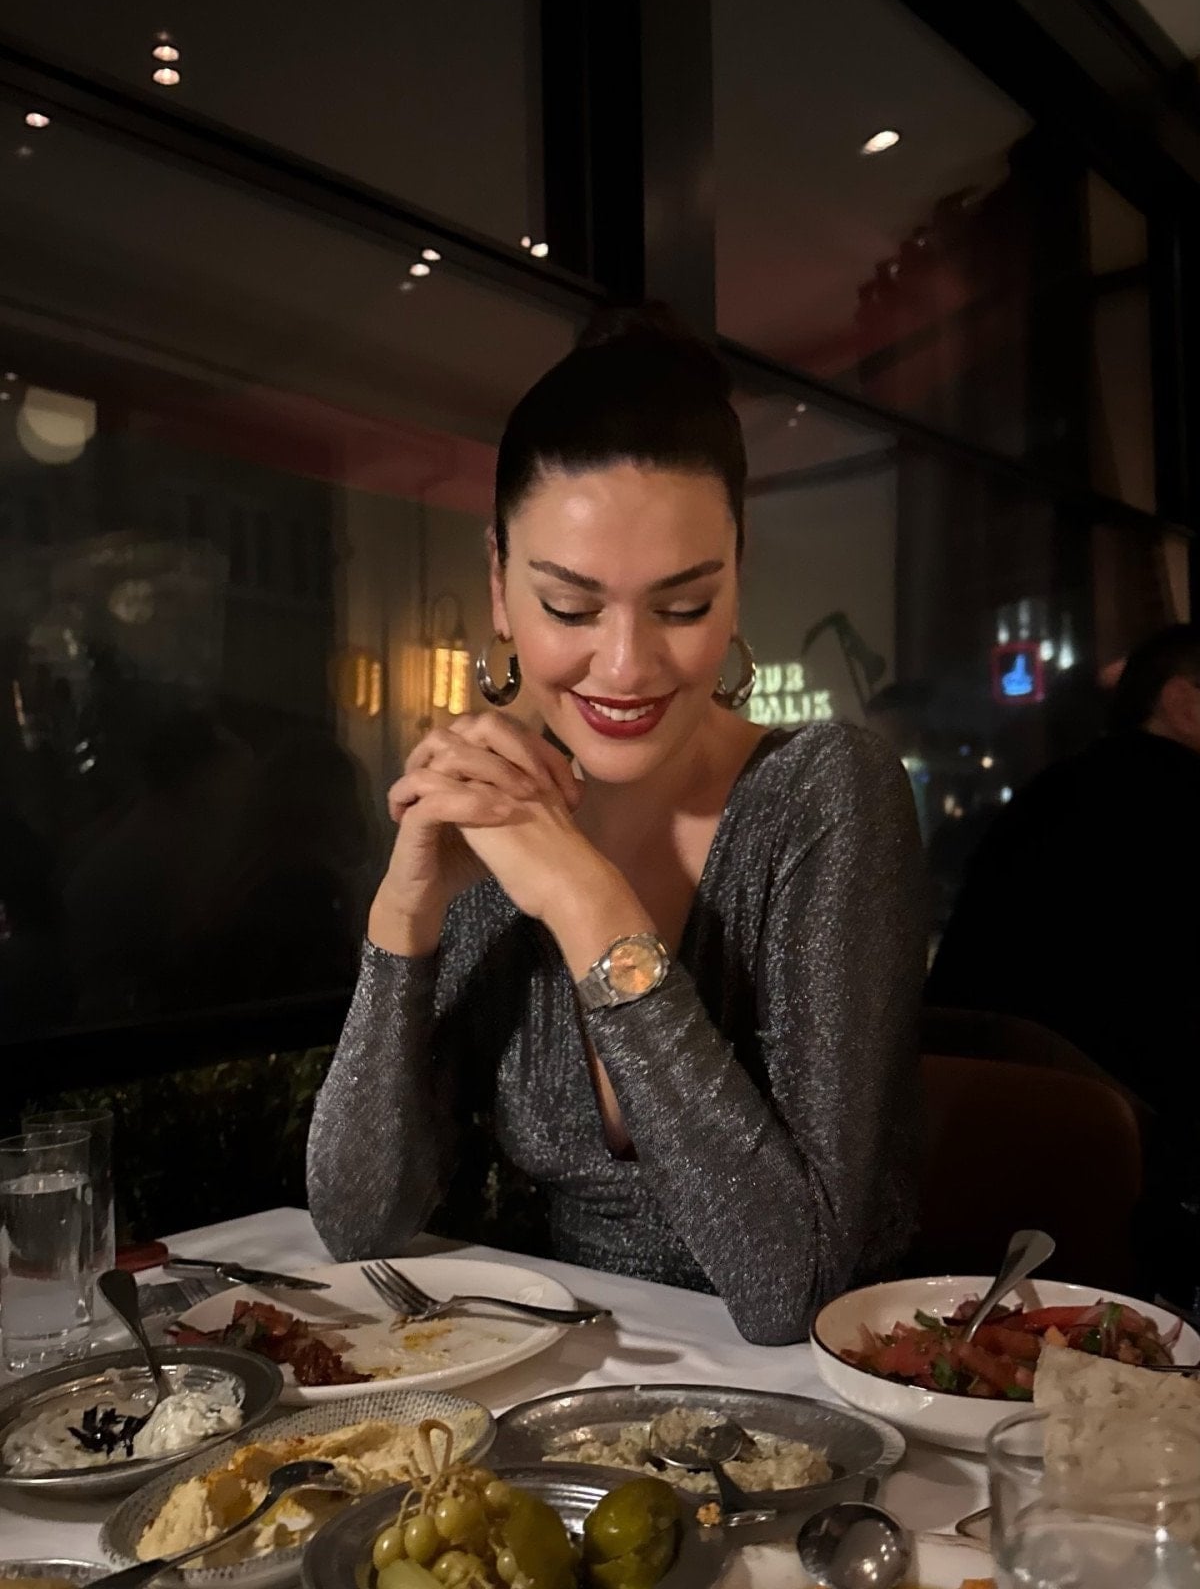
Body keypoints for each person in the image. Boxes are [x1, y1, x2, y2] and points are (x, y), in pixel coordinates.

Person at [306, 307, 926, 1344]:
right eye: (572, 607)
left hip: (813, 1410)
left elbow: (794, 1289)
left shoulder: (828, 794)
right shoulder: (498, 806)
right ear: (499, 583)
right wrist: (404, 917)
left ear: (737, 578)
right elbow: (358, 1219)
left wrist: (584, 898)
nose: (629, 665)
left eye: (682, 607)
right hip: (571, 1394)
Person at [927, 624, 1200, 1296]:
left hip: (958, 1171)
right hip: (1138, 1205)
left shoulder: (1044, 797)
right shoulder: (1179, 804)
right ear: (1184, 704)